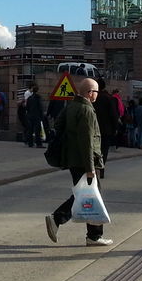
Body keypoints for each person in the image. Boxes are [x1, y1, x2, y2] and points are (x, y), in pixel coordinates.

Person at [44, 78, 111, 247]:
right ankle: (59, 219)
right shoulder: (86, 110)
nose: (97, 95)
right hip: (84, 161)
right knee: (91, 196)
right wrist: (90, 168)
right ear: (90, 93)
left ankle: (91, 234)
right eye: (96, 92)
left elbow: (58, 127)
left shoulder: (71, 106)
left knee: (84, 194)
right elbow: (87, 141)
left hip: (73, 159)